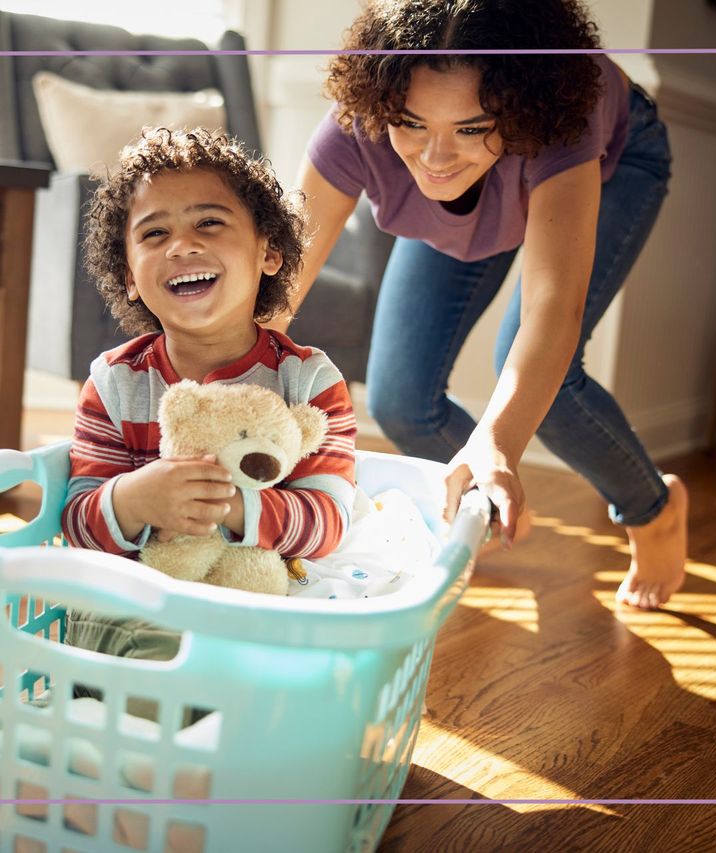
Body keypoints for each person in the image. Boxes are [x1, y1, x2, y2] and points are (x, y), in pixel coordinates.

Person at [283, 0, 687, 609]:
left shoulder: (558, 120)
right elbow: (276, 286)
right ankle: (489, 494)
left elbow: (553, 308)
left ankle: (654, 510)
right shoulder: (357, 127)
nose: (437, 157)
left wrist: (499, 439)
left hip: (609, 164)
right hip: (502, 171)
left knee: (546, 392)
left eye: (470, 127)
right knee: (401, 401)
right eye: (412, 124)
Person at [60, 127, 357, 661]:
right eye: (154, 235)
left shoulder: (309, 381)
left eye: (209, 223)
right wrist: (133, 500)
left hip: (256, 606)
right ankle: (150, 713)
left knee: (304, 652)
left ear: (269, 252)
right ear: (129, 277)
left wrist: (233, 508)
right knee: (94, 621)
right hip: (145, 604)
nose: (182, 245)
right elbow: (79, 522)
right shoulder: (115, 381)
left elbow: (328, 522)